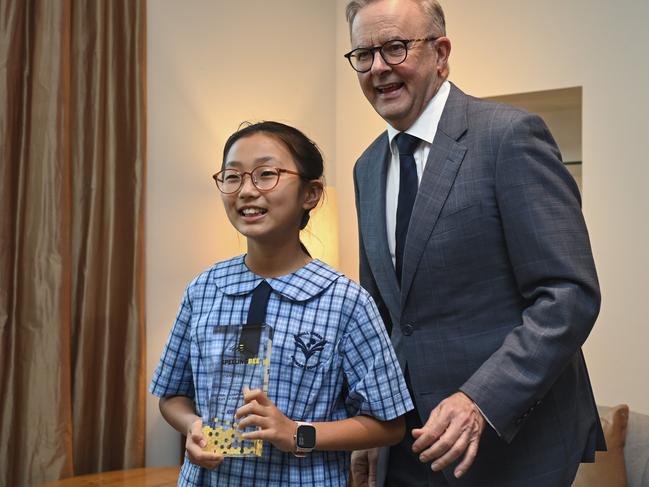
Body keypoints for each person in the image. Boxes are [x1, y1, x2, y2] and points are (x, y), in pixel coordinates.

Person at [344, 1, 605, 486]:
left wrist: (480, 400)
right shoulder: (367, 167)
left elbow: (568, 296)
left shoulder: (508, 136)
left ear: (441, 54)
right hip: (406, 446)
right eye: (364, 54)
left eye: (395, 48)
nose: (379, 67)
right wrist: (368, 421)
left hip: (513, 444)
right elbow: (382, 318)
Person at [150, 121, 413, 486]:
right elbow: (172, 395)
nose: (246, 190)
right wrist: (194, 427)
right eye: (232, 177)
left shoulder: (345, 301)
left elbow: (388, 424)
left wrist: (296, 433)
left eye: (266, 174)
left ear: (311, 193)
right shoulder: (204, 288)